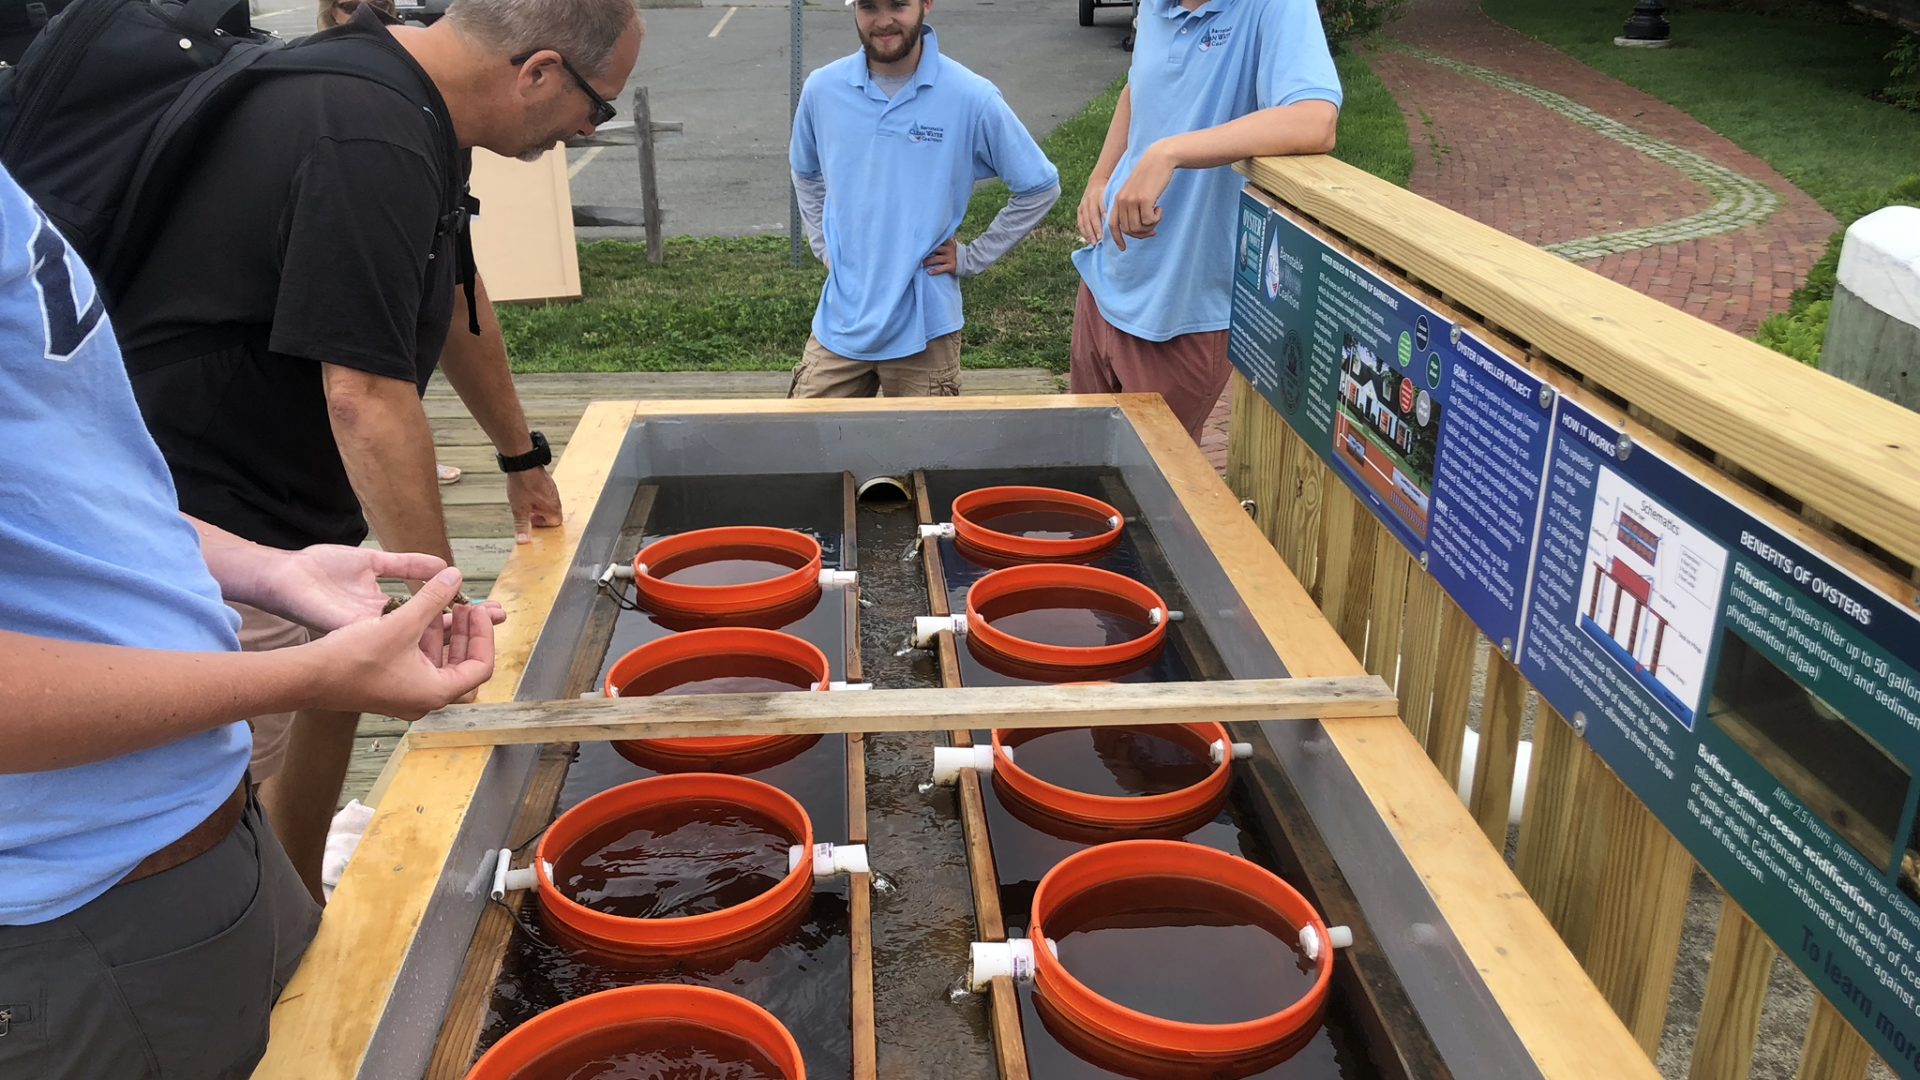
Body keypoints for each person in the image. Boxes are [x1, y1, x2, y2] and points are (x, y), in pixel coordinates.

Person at [100, 0, 641, 899]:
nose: (590, 128)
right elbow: (364, 398)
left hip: (294, 498)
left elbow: (454, 289)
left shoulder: (419, 103)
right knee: (218, 806)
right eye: (599, 104)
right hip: (204, 515)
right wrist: (439, 611)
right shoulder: (368, 135)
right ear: (539, 72)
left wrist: (520, 456)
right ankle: (252, 951)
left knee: (341, 687)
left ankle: (301, 902)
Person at [0, 161, 498, 1079]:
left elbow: (62, 493)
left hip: (215, 841)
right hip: (75, 919)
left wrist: (273, 570)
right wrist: (309, 677)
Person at [1070, 0, 1341, 440]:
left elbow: (1315, 119)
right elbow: (1136, 89)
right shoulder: (1155, 6)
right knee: (1081, 458)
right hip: (1105, 283)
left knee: (1151, 480)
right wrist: (1100, 176)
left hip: (1179, 311)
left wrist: (1170, 152)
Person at [787, 0, 1060, 398]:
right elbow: (804, 171)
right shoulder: (822, 90)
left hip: (926, 333)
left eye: (898, 4)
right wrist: (824, 245)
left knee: (924, 441)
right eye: (869, 6)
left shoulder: (970, 96)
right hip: (841, 323)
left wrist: (972, 257)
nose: (883, 21)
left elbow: (1039, 186)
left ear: (926, 3)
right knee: (806, 436)